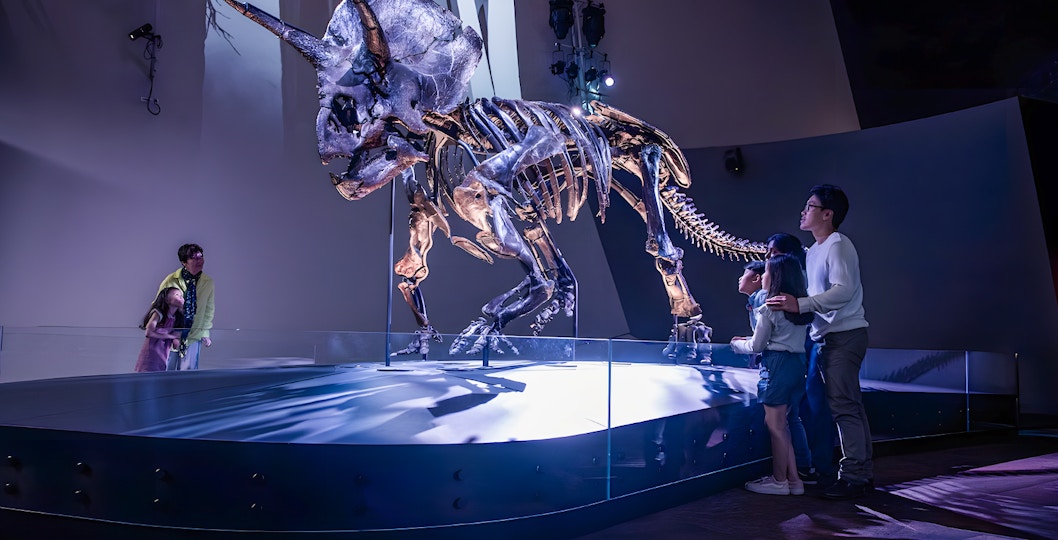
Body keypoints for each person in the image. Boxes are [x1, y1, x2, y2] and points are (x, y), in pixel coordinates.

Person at [767, 184, 872, 500]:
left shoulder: (838, 245)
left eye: (810, 206)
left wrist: (799, 305)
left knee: (844, 406)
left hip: (843, 338)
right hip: (824, 339)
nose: (803, 211)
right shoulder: (813, 252)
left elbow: (843, 291)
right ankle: (856, 474)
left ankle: (855, 478)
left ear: (828, 214)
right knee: (843, 406)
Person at [731, 254, 813, 496]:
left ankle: (779, 480)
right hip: (797, 365)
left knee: (775, 426)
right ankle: (794, 480)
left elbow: (757, 346)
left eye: (766, 272)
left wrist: (736, 345)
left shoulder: (769, 308)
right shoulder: (800, 308)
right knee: (783, 424)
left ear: (776, 276)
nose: (763, 276)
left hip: (776, 365)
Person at [767, 232, 836, 486]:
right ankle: (805, 470)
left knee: (808, 407)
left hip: (810, 346)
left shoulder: (802, 280)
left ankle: (813, 468)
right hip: (802, 349)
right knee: (799, 409)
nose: (769, 260)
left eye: (773, 253)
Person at [158, 243, 215, 370]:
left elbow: (208, 310)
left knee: (188, 372)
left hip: (194, 334)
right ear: (184, 262)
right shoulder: (171, 279)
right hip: (170, 334)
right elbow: (158, 304)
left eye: (201, 257)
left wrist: (205, 332)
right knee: (165, 370)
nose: (199, 261)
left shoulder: (208, 282)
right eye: (194, 258)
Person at [134, 287, 185, 373]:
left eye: (181, 296)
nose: (181, 297)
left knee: (159, 373)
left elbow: (176, 340)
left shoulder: (177, 318)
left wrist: (176, 340)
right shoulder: (158, 313)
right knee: (147, 373)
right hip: (150, 353)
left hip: (163, 354)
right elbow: (148, 332)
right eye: (177, 295)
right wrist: (168, 336)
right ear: (167, 299)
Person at [737, 260, 767, 331]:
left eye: (744, 274)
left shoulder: (762, 296)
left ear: (756, 278)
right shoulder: (754, 300)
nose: (740, 278)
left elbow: (763, 331)